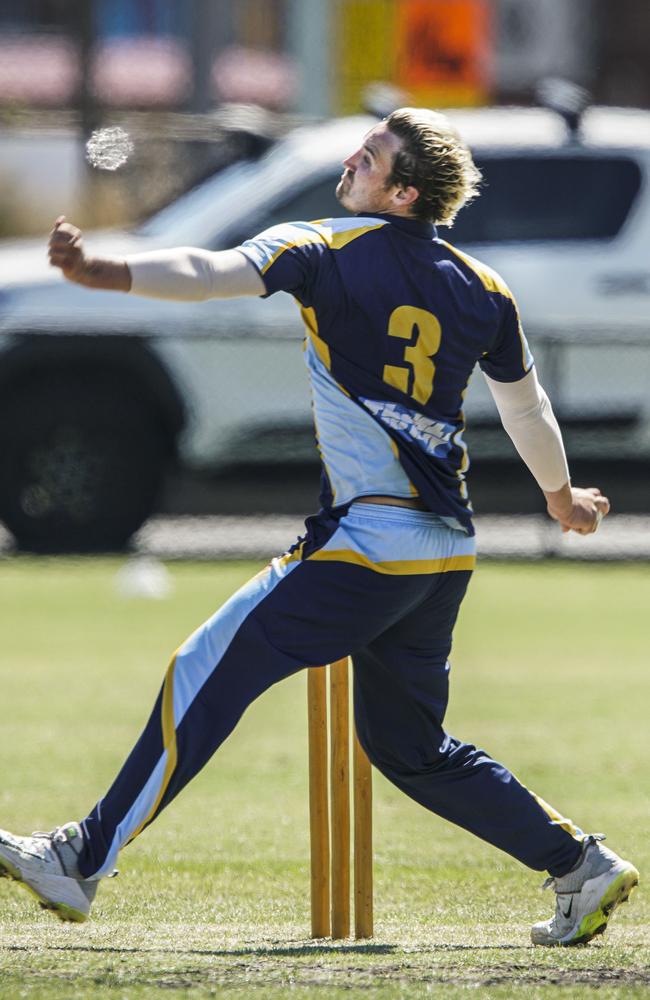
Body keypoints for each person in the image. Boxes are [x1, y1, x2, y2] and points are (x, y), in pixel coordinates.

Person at [0, 108, 638, 946]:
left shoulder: (328, 246)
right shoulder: (483, 286)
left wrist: (106, 270)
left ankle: (80, 858)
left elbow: (206, 270)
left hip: (368, 545)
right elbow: (526, 402)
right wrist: (561, 495)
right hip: (444, 552)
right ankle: (580, 865)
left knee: (203, 667)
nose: (351, 160)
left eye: (370, 156)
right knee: (410, 749)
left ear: (404, 192)